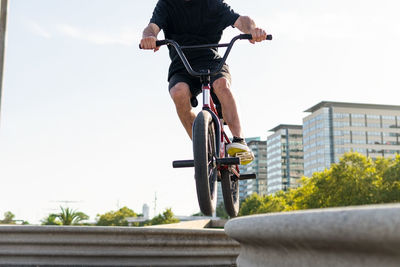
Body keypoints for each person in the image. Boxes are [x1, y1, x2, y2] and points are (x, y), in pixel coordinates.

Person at [140, 0, 267, 165]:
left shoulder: (211, 3)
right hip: (182, 63)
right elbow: (152, 27)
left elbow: (241, 20)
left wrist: (252, 30)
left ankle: (239, 139)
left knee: (222, 85)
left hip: (211, 60)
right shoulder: (167, 4)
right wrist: (149, 37)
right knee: (178, 93)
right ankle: (202, 150)